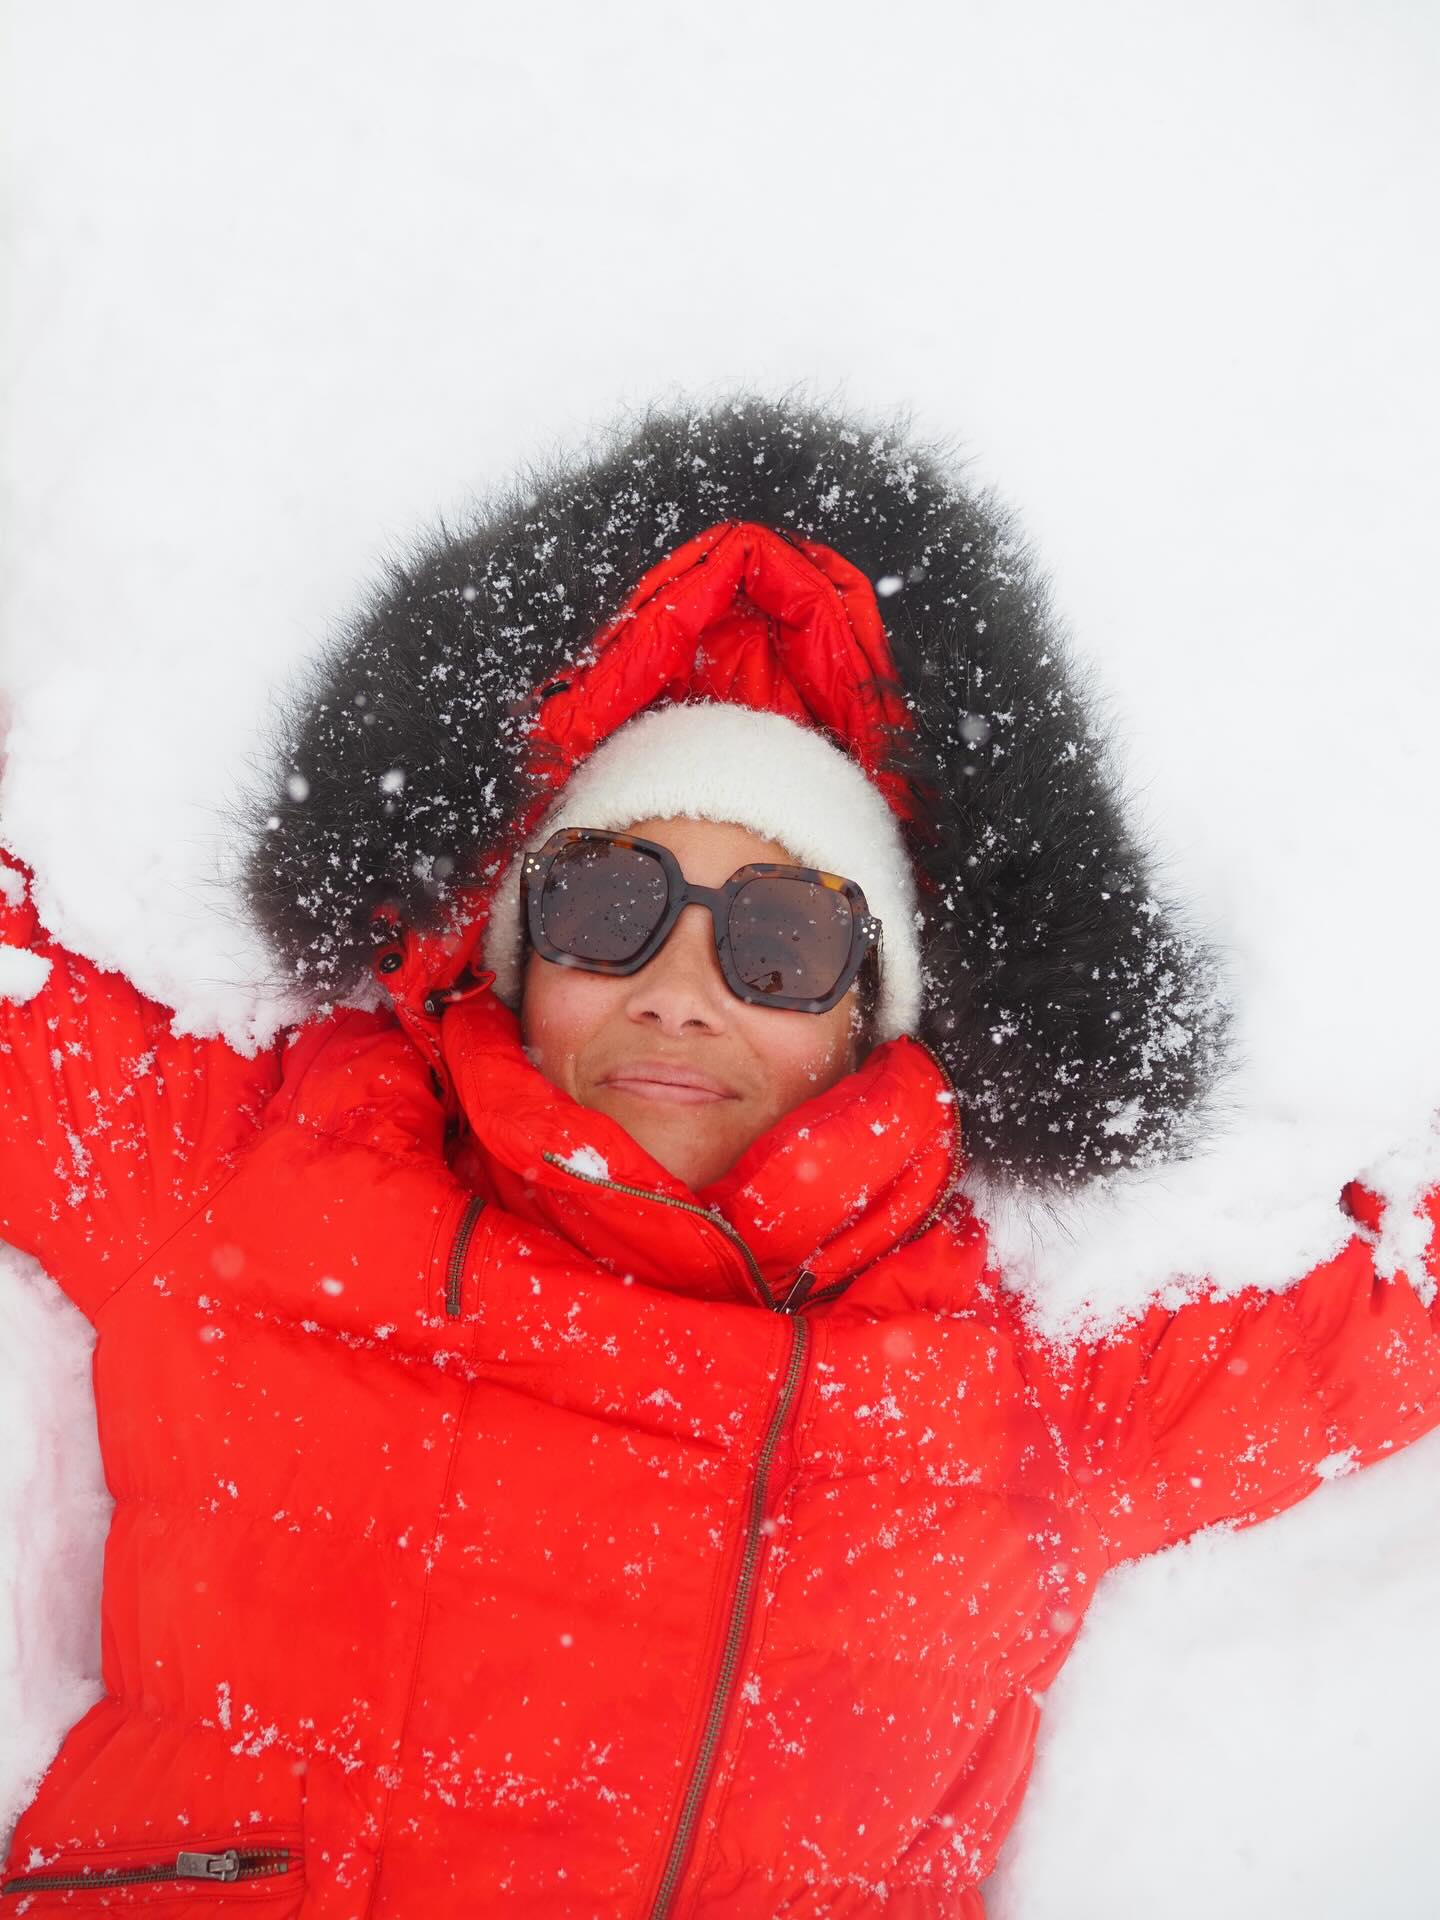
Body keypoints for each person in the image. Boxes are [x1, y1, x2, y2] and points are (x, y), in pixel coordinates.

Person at [0, 394, 1435, 1919]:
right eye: (608, 906)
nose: (681, 991)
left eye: (782, 939)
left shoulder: (1017, 1402)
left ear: (867, 1013)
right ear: (518, 949)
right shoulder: (266, 1173)